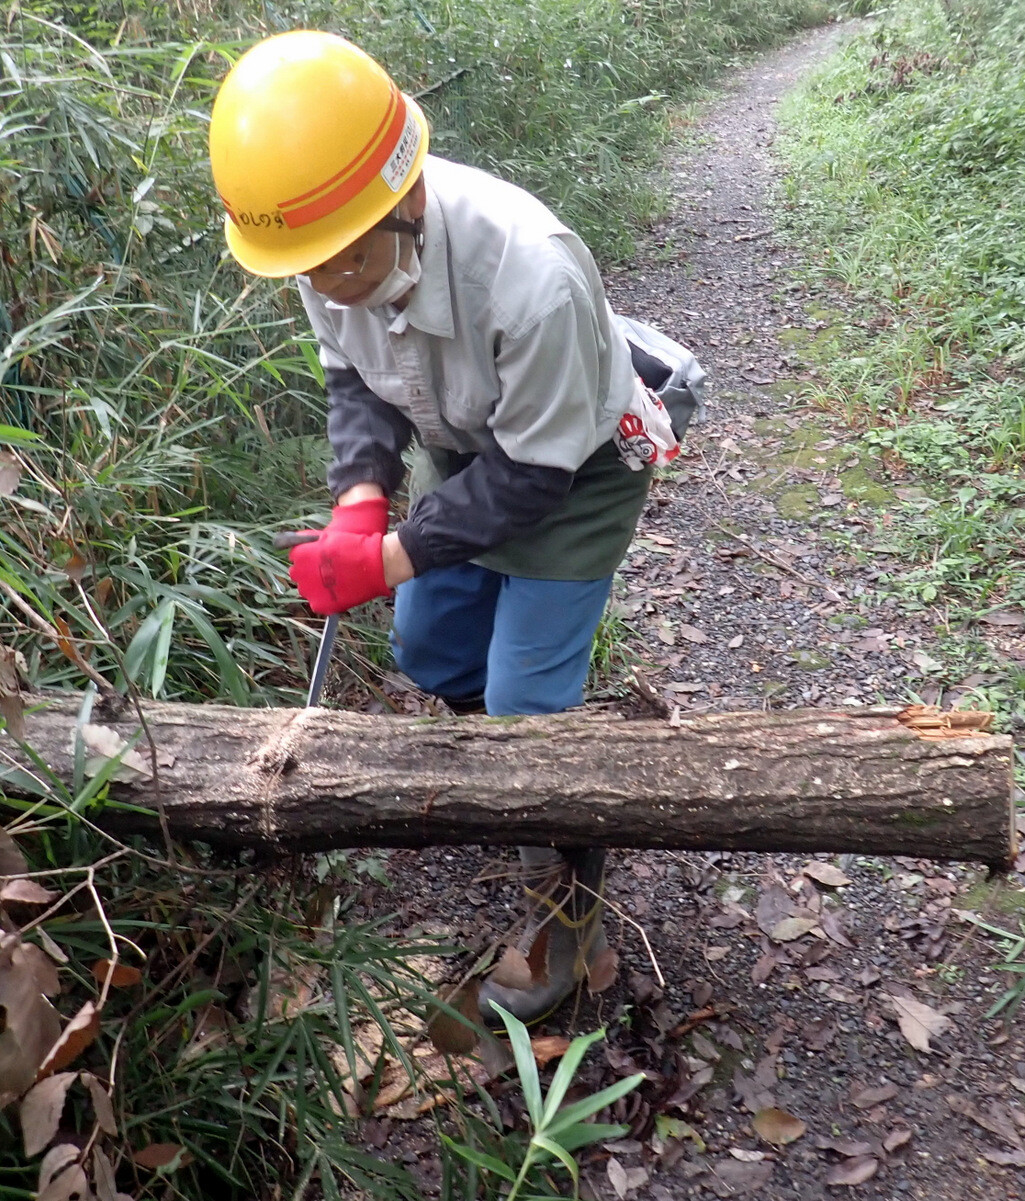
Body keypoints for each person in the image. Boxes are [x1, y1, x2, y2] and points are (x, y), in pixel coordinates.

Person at [208, 30, 703, 1024]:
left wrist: (392, 555)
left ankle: (564, 888)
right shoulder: (326, 242)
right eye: (309, 268)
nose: (327, 284)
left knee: (525, 699)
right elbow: (355, 378)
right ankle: (507, 779)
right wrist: (361, 493)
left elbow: (533, 477)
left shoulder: (530, 273)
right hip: (468, 444)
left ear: (402, 197)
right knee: (430, 647)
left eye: (345, 261)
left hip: (574, 469)